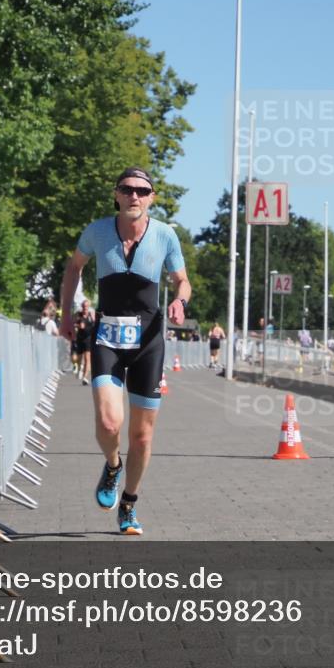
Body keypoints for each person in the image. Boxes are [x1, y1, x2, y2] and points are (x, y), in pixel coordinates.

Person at [60, 167, 190, 536]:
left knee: (142, 437)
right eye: (127, 189)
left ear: (151, 197)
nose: (134, 196)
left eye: (142, 190)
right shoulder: (97, 231)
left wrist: (180, 300)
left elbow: (182, 280)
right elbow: (74, 268)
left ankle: (129, 503)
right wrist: (69, 312)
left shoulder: (165, 235)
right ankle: (112, 466)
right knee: (108, 423)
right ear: (116, 194)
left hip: (149, 342)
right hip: (108, 338)